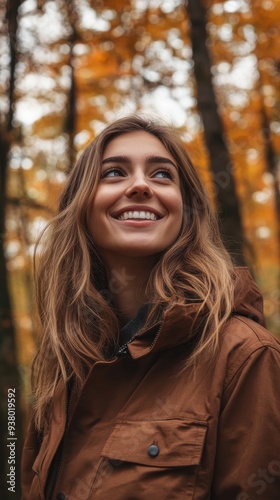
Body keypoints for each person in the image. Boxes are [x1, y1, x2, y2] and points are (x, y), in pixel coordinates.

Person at [21, 115, 280, 500]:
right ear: (82, 207)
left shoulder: (246, 356)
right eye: (113, 173)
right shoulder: (65, 365)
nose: (141, 185)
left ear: (187, 211)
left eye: (162, 175)